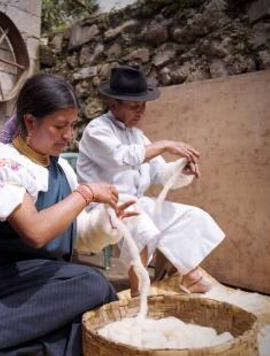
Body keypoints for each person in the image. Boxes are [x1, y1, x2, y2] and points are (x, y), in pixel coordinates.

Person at [0, 73, 136, 356]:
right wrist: (87, 193)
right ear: (30, 121)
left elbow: (69, 232)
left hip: (36, 270)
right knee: (92, 285)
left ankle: (20, 330)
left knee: (96, 288)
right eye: (59, 126)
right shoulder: (2, 163)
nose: (68, 135)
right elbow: (36, 232)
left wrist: (106, 224)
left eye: (72, 125)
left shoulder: (60, 167)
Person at [77, 65, 225, 296]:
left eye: (143, 105)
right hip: (104, 205)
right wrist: (165, 144)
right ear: (113, 104)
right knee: (142, 221)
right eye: (134, 106)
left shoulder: (137, 136)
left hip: (133, 202)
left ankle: (191, 276)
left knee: (190, 216)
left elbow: (159, 173)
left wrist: (181, 168)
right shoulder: (96, 130)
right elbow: (122, 157)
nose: (141, 112)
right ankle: (138, 293)